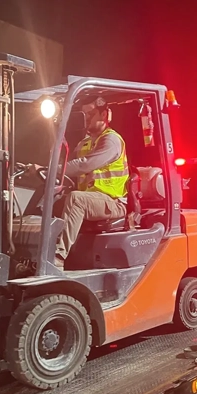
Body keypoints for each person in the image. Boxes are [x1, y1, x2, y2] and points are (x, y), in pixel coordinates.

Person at [53, 96, 129, 268]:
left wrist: (54, 170)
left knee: (75, 199)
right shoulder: (85, 143)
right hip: (94, 201)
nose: (86, 117)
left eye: (90, 114)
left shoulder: (110, 140)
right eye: (84, 114)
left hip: (112, 202)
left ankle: (57, 257)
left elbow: (84, 165)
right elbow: (66, 166)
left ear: (104, 115)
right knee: (54, 200)